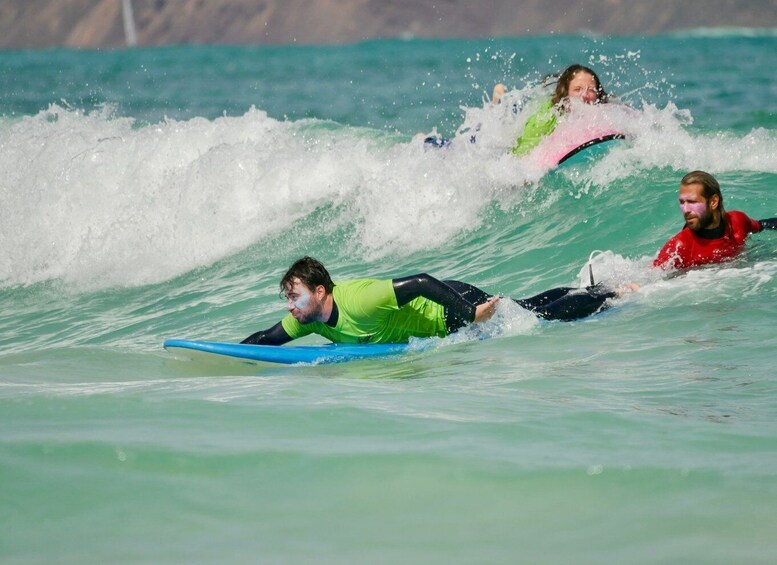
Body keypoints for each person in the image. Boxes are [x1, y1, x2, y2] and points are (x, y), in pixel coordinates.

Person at [242, 256, 622, 346]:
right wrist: (218, 354)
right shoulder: (307, 318)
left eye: (294, 296)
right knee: (528, 307)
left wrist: (472, 314)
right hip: (448, 316)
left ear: (320, 292)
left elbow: (422, 282)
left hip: (451, 306)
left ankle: (607, 293)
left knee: (540, 319)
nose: (290, 306)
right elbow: (266, 339)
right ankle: (589, 289)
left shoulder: (360, 300)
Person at [653, 170, 777, 271]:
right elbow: (648, 280)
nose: (685, 209)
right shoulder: (679, 246)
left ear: (713, 202)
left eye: (692, 202)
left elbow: (763, 225)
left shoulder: (737, 221)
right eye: (682, 202)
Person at [493, 64, 610, 156]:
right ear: (566, 93)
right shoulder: (547, 117)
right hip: (525, 114)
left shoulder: (605, 111)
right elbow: (521, 153)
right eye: (577, 89)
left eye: (590, 90)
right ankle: (501, 100)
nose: (584, 95)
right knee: (510, 114)